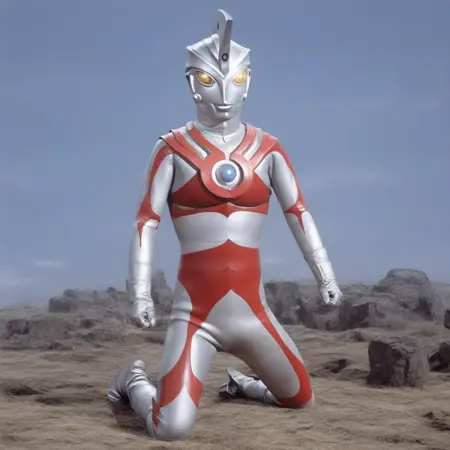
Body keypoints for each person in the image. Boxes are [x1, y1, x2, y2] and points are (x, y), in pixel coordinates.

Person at [108, 9, 343, 441]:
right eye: (208, 80)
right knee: (171, 427)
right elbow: (147, 221)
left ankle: (242, 385)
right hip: (195, 317)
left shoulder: (268, 149)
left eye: (234, 80)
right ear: (191, 84)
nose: (223, 94)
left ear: (248, 82)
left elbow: (298, 212)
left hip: (254, 315)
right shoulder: (171, 149)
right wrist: (139, 293)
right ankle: (133, 380)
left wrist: (325, 275)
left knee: (300, 397)